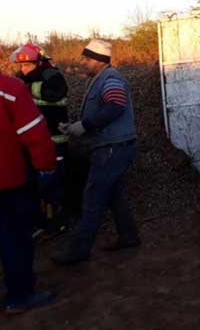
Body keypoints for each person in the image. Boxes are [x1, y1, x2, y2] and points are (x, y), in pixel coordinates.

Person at [53, 39, 140, 265]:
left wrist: (86, 125)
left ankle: (78, 251)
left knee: (92, 198)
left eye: (87, 59)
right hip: (113, 145)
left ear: (99, 60)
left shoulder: (110, 79)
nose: (83, 62)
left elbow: (115, 106)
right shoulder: (101, 79)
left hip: (112, 148)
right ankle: (129, 236)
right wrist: (75, 125)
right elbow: (104, 110)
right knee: (113, 194)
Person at [0, 71, 57, 314]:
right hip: (8, 183)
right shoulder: (9, 89)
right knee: (15, 239)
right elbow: (35, 134)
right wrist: (46, 167)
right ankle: (21, 295)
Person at [10, 43, 72, 234]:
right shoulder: (26, 79)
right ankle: (42, 222)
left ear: (39, 62)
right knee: (35, 184)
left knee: (53, 184)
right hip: (34, 143)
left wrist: (24, 90)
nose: (24, 69)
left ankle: (57, 223)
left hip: (54, 142)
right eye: (22, 66)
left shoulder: (53, 79)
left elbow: (52, 95)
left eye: (28, 65)